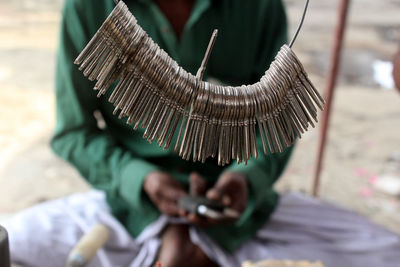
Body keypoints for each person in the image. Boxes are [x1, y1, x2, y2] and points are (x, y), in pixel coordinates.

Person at [3, 0, 400, 267]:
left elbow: (276, 125)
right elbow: (74, 133)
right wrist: (140, 180)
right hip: (126, 206)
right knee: (11, 244)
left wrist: (246, 178)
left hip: (238, 212)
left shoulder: (258, 7)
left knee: (388, 252)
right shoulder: (90, 8)